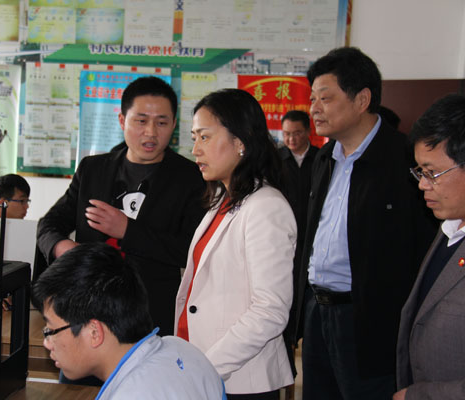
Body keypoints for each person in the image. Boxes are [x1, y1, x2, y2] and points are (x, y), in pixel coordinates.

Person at [289, 47, 437, 400]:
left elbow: (423, 249)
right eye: (312, 99)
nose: (314, 109)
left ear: (362, 100)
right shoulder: (325, 158)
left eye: (325, 98)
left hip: (370, 321)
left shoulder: (404, 159)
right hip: (317, 312)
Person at [37, 76, 206, 337]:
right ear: (121, 121)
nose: (151, 132)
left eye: (161, 122)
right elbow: (49, 224)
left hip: (152, 314)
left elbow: (190, 249)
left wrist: (128, 230)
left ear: (174, 124)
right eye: (141, 121)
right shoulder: (93, 169)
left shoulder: (191, 178)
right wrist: (62, 247)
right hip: (88, 308)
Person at [174, 89, 296, 399]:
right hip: (202, 366)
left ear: (240, 142)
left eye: (205, 137)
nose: (195, 149)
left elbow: (270, 310)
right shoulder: (223, 200)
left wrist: (208, 366)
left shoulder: (266, 206)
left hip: (240, 378)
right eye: (194, 138)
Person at [32, 242, 226, 400]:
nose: (47, 343)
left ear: (94, 332)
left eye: (50, 331)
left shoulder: (129, 394)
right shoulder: (183, 350)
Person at [394, 94, 465, 400]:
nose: (423, 184)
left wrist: (421, 395)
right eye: (420, 173)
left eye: (432, 173)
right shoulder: (448, 228)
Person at [278, 110, 319, 372]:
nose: (291, 139)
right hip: (284, 242)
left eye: (297, 133)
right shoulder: (276, 160)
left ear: (308, 132)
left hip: (313, 242)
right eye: (287, 134)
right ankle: (286, 361)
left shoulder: (322, 159)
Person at [0, 173, 31, 255]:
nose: (27, 206)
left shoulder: (22, 228)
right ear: (3, 203)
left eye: (27, 201)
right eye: (22, 201)